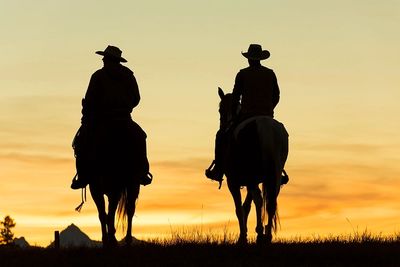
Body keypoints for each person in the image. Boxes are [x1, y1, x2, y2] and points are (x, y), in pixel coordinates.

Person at [71, 45, 152, 189]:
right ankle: (142, 173)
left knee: (81, 140)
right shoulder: (127, 75)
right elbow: (136, 98)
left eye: (105, 58)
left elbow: (89, 99)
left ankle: (82, 175)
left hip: (105, 119)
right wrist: (127, 107)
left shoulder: (99, 76)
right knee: (140, 137)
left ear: (110, 60)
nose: (103, 60)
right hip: (123, 119)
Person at [206, 44, 288, 184]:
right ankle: (278, 172)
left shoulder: (242, 74)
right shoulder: (270, 73)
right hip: (268, 115)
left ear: (249, 59)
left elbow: (236, 96)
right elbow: (277, 96)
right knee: (282, 136)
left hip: (247, 115)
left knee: (221, 135)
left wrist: (234, 113)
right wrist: (269, 109)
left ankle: (218, 169)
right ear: (260, 58)